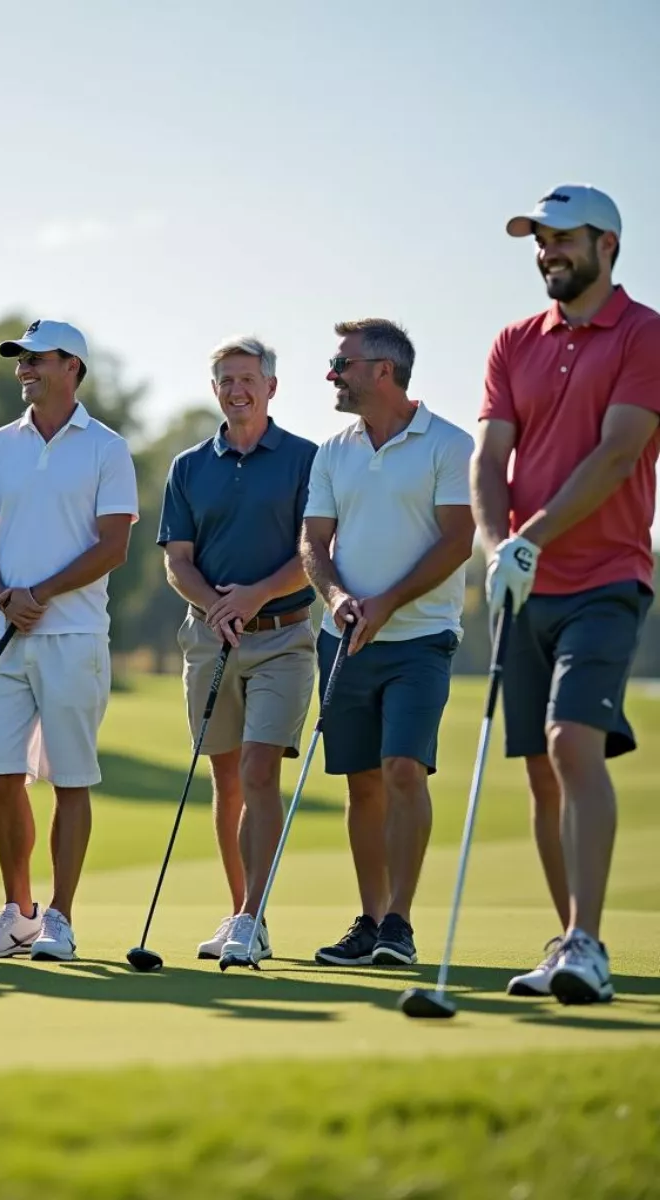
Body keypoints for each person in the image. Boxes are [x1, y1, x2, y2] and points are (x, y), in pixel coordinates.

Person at [472, 186, 660, 1005]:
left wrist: (530, 538)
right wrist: (494, 549)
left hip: (607, 577)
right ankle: (568, 944)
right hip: (524, 583)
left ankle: (588, 942)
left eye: (562, 238)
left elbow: (621, 454)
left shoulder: (644, 334)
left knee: (572, 745)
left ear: (607, 245)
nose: (547, 251)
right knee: (540, 772)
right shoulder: (514, 341)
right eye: (538, 239)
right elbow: (488, 462)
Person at [300, 318, 474, 968]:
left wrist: (387, 604)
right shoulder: (334, 449)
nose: (331, 374)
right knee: (362, 783)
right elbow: (314, 543)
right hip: (343, 639)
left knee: (404, 769)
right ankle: (370, 920)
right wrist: (340, 600)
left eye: (341, 363)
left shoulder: (449, 444)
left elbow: (458, 540)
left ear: (382, 370)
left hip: (420, 639)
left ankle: (399, 921)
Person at [0, 319, 138, 962]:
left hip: (74, 634)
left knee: (70, 778)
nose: (23, 369)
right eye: (20, 359)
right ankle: (20, 913)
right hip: (3, 631)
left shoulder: (106, 448)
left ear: (73, 366)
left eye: (37, 359)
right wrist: (5, 598)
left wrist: (42, 594)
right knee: (1, 777)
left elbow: (113, 545)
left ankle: (61, 917)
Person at [157, 335, 318, 967]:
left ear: (272, 387)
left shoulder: (307, 459)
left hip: (283, 637)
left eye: (248, 378)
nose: (237, 389)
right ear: (215, 389)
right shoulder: (190, 465)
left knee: (258, 770)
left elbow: (313, 553)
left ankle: (253, 916)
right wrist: (217, 606)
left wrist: (253, 597)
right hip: (209, 637)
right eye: (226, 379)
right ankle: (241, 913)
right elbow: (177, 561)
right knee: (226, 781)